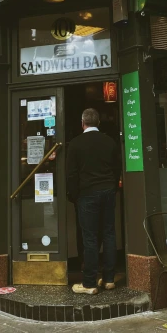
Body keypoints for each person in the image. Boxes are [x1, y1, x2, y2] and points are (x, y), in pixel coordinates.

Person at [67, 108, 121, 295]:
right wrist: (113, 188)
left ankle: (89, 283)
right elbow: (117, 168)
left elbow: (71, 175)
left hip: (87, 194)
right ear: (98, 123)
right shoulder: (110, 142)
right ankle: (109, 279)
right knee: (109, 234)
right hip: (107, 191)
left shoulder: (75, 144)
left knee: (89, 238)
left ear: (83, 123)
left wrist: (74, 196)